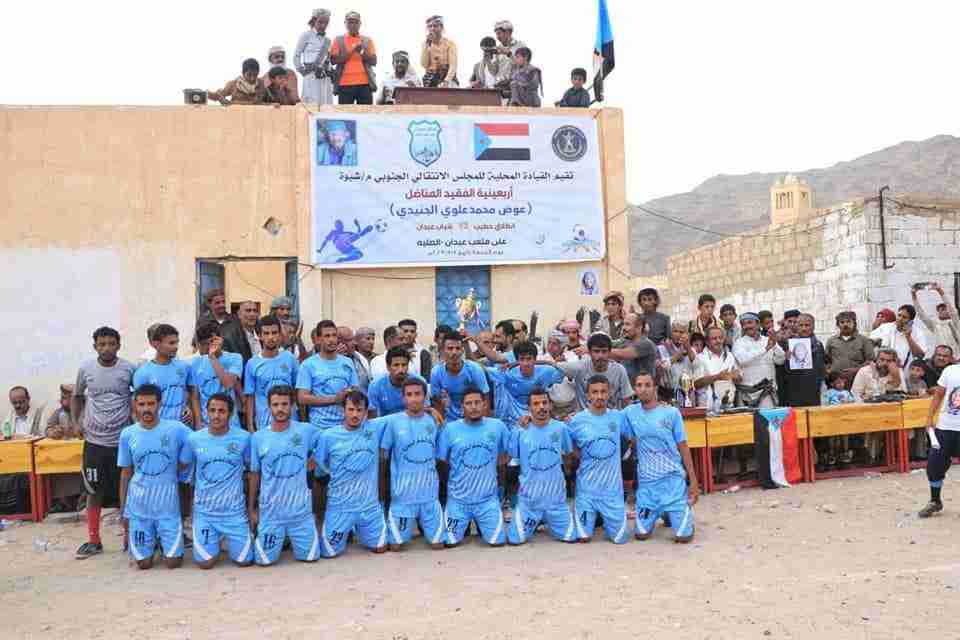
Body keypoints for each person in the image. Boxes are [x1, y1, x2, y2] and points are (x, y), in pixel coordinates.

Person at [72, 327, 137, 559]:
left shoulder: (129, 369)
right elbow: (77, 396)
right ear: (95, 346)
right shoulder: (85, 369)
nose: (107, 348)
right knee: (94, 490)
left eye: (111, 343)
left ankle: (130, 537)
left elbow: (138, 398)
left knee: (126, 490)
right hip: (94, 441)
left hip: (123, 440)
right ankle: (93, 539)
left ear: (118, 345)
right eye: (102, 344)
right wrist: (76, 422)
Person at [118, 384, 191, 569]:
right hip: (139, 506)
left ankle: (162, 541)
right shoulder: (127, 434)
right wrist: (123, 511)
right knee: (143, 564)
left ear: (159, 404)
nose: (146, 409)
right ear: (135, 405)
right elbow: (125, 473)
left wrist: (182, 463)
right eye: (141, 404)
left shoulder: (176, 429)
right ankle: (151, 543)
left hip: (168, 507)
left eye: (151, 404)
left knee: (173, 563)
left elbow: (198, 441)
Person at [623, 371, 699, 542]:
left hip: (672, 481)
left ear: (655, 388)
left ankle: (675, 512)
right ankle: (664, 511)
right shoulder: (629, 413)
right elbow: (608, 420)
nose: (643, 389)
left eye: (647, 385)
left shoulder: (671, 413)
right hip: (647, 484)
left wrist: (693, 481)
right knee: (641, 535)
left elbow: (683, 447)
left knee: (683, 537)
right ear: (635, 389)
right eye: (639, 385)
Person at [248, 386, 321, 564]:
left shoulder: (307, 431)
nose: (280, 409)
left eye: (284, 404)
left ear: (292, 406)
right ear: (268, 407)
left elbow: (328, 443)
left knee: (310, 559)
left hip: (301, 514)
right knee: (263, 562)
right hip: (271, 514)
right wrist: (251, 508)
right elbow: (255, 474)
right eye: (275, 405)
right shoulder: (258, 438)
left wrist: (315, 459)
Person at [180, 393, 253, 568]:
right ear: (206, 412)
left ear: (230, 414)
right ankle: (214, 540)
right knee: (206, 564)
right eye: (212, 410)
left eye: (221, 411)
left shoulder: (244, 438)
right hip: (205, 514)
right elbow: (181, 468)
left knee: (244, 562)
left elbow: (253, 471)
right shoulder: (194, 439)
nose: (216, 415)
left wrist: (252, 508)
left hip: (234, 513)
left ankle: (228, 539)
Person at [314, 389, 388, 557]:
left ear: (366, 412)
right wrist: (319, 516)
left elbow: (405, 415)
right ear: (343, 410)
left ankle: (361, 530)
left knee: (381, 549)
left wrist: (429, 410)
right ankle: (343, 528)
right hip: (340, 507)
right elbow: (320, 472)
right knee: (329, 553)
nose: (355, 414)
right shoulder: (328, 436)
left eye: (359, 410)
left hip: (369, 507)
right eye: (351, 409)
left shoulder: (374, 428)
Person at [437, 387, 510, 547]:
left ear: (484, 404)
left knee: (497, 542)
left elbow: (507, 454)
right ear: (462, 407)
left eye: (477, 402)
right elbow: (442, 461)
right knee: (448, 541)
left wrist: (498, 479)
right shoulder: (450, 429)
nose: (474, 407)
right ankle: (459, 524)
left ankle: (485, 521)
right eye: (469, 403)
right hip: (457, 502)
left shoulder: (498, 426)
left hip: (487, 501)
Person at [379, 379, 446, 550]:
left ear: (425, 396)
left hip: (429, 496)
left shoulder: (434, 421)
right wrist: (383, 487)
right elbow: (383, 454)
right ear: (403, 398)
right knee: (395, 547)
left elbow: (440, 454)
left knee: (438, 545)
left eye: (418, 394)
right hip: (402, 497)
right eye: (409, 395)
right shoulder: (393, 422)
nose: (414, 398)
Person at [506, 388, 577, 545]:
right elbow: (511, 460)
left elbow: (568, 454)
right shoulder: (520, 431)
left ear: (550, 405)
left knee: (572, 537)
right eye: (536, 404)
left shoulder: (561, 428)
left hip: (556, 502)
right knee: (514, 540)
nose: (541, 407)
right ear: (529, 408)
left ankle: (550, 520)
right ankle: (533, 520)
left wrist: (565, 477)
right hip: (529, 502)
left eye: (544, 403)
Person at [567, 376, 630, 543]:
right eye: (595, 392)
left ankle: (607, 519)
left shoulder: (618, 417)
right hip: (587, 492)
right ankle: (582, 512)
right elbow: (566, 444)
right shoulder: (576, 421)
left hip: (612, 493)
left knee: (621, 540)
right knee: (583, 538)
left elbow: (634, 435)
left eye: (603, 391)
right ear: (588, 395)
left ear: (609, 394)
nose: (599, 396)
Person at [296, 320, 358, 431]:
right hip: (319, 427)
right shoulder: (308, 365)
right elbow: (302, 398)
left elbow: (355, 390)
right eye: (327, 336)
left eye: (334, 335)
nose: (331, 339)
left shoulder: (348, 362)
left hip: (345, 426)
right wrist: (334, 399)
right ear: (318, 339)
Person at [918, 354, 960, 517]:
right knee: (934, 465)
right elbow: (938, 395)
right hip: (945, 427)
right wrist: (929, 418)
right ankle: (935, 501)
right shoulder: (950, 371)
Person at [849, 348, 906, 465]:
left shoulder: (897, 372)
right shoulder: (865, 371)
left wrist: (895, 377)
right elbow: (855, 394)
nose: (884, 363)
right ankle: (870, 457)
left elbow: (902, 395)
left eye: (889, 361)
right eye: (882, 359)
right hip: (866, 411)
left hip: (890, 413)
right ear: (876, 359)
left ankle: (891, 457)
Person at [244, 315, 300, 431]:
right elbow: (250, 396)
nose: (270, 337)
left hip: (291, 422)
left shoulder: (290, 358)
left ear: (280, 335)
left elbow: (298, 390)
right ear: (259, 336)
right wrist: (250, 425)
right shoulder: (252, 363)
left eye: (274, 333)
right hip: (264, 424)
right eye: (266, 333)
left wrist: (302, 418)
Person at [552, 333, 633, 411]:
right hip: (584, 417)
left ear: (609, 352)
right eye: (596, 351)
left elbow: (627, 399)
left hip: (611, 417)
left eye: (604, 351)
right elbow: (552, 365)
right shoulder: (579, 367)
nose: (600, 356)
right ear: (589, 352)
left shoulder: (619, 370)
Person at [133, 324, 192, 425]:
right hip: (157, 428)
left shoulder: (184, 367)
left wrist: (188, 406)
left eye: (177, 342)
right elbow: (137, 406)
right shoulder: (143, 373)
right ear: (156, 344)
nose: (176, 347)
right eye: (171, 343)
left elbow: (192, 394)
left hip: (183, 427)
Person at [189, 322, 242, 431]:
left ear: (219, 341)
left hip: (231, 424)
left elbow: (228, 384)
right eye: (202, 344)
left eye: (210, 343)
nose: (206, 347)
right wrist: (198, 423)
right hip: (206, 424)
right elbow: (195, 397)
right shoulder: (195, 363)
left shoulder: (234, 358)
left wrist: (213, 358)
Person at [430, 334, 490, 421]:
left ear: (462, 351)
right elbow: (437, 404)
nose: (454, 352)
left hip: (474, 417)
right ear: (442, 351)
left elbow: (485, 400)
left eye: (458, 348)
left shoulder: (474, 369)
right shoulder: (436, 372)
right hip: (449, 419)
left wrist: (484, 425)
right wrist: (442, 425)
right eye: (450, 348)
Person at [732, 313, 784, 408]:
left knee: (768, 418)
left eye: (749, 322)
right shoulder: (739, 343)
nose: (746, 326)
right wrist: (765, 349)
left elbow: (780, 360)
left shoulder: (767, 340)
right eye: (744, 324)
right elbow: (743, 360)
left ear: (758, 324)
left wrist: (775, 345)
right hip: (747, 394)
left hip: (767, 393)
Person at [329, 11, 378, 105]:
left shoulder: (367, 40)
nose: (353, 25)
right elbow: (333, 60)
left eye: (356, 22)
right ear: (345, 23)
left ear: (360, 24)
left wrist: (362, 52)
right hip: (344, 83)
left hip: (365, 83)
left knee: (366, 113)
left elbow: (374, 61)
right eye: (350, 22)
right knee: (345, 113)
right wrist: (353, 50)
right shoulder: (338, 39)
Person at [367, 347, 429, 417]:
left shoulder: (420, 382)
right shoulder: (375, 386)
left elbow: (425, 411)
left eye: (404, 365)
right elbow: (373, 418)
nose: (401, 369)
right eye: (396, 365)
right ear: (388, 367)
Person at [870, 304, 931, 369]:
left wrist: (908, 337)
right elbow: (870, 341)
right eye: (899, 315)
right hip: (884, 370)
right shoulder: (886, 327)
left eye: (904, 317)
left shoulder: (918, 333)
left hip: (905, 371)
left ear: (911, 321)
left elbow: (920, 356)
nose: (900, 319)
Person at [693, 326, 741, 409]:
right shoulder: (700, 358)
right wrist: (717, 377)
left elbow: (739, 379)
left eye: (720, 338)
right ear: (707, 341)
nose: (718, 341)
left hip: (729, 407)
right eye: (714, 338)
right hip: (708, 408)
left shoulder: (730, 356)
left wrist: (736, 377)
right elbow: (696, 384)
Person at [295, 8, 334, 105]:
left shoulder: (328, 41)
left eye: (326, 23)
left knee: (325, 104)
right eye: (320, 22)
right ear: (314, 21)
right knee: (311, 104)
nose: (323, 25)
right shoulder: (306, 35)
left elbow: (328, 59)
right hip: (311, 74)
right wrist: (302, 71)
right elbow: (297, 55)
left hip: (325, 76)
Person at [913, 282, 960, 356]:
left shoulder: (955, 322)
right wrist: (913, 295)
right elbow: (921, 314)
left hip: (954, 358)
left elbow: (951, 308)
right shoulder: (934, 325)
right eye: (939, 310)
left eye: (944, 309)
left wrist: (939, 290)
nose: (941, 311)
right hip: (939, 357)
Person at [825, 311, 875, 381]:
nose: (845, 324)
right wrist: (828, 371)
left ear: (854, 323)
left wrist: (856, 370)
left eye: (848, 322)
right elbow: (826, 360)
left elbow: (870, 361)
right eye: (842, 322)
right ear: (838, 325)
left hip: (857, 379)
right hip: (836, 381)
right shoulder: (831, 341)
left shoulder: (864, 340)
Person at [609, 314, 657, 385]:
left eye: (627, 324)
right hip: (627, 388)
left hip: (641, 389)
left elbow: (621, 354)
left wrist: (599, 350)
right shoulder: (625, 341)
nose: (623, 328)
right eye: (623, 324)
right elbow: (609, 343)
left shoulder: (646, 344)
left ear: (639, 327)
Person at [657, 322, 697, 403]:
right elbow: (662, 367)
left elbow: (696, 365)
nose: (678, 334)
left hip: (686, 393)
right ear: (671, 333)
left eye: (681, 332)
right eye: (675, 331)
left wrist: (687, 347)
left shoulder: (691, 350)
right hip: (667, 394)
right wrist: (678, 354)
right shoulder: (661, 348)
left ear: (686, 334)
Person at [420, 15, 458, 87]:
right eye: (430, 26)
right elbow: (424, 65)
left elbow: (453, 66)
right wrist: (426, 46)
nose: (432, 28)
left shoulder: (450, 43)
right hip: (430, 79)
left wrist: (446, 81)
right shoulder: (425, 43)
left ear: (441, 27)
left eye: (435, 26)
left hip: (447, 78)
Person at [221, 300, 260, 365]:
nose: (252, 314)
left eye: (255, 311)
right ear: (239, 314)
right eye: (248, 311)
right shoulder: (229, 338)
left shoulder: (262, 332)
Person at [336, 325, 370, 392]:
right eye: (349, 340)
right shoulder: (332, 360)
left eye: (353, 339)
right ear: (339, 343)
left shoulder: (359, 357)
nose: (355, 343)